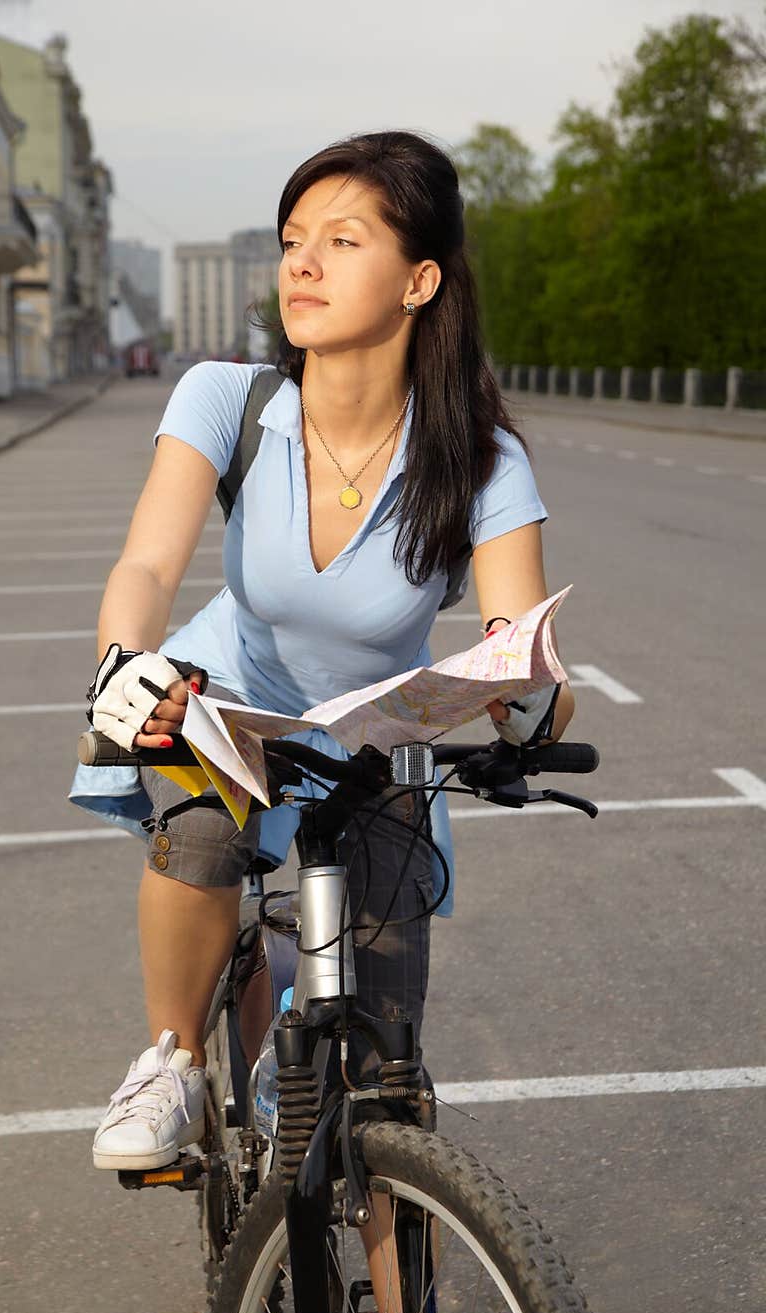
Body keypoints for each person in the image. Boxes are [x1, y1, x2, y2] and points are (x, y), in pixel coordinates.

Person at [68, 130, 575, 1175]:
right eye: (294, 239)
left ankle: (394, 1288)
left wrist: (524, 707)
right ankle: (172, 1061)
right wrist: (128, 664)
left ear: (418, 281)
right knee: (205, 837)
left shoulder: (479, 458)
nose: (300, 262)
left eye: (341, 241)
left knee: (380, 1077)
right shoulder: (227, 398)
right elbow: (148, 568)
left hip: (377, 733)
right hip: (225, 699)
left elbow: (518, 646)